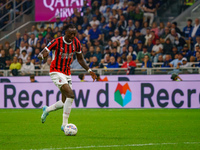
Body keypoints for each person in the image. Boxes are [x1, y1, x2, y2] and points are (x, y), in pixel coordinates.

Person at [38, 24, 97, 132]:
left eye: (74, 34)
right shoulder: (57, 41)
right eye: (70, 33)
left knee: (65, 101)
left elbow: (80, 59)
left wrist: (89, 70)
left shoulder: (76, 43)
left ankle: (47, 110)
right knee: (71, 95)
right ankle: (64, 125)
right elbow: (44, 51)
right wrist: (42, 56)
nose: (72, 36)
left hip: (66, 73)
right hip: (56, 71)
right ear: (65, 32)